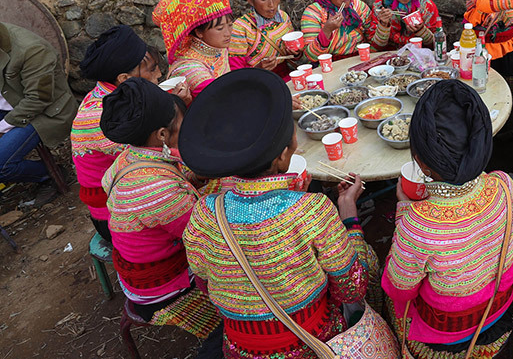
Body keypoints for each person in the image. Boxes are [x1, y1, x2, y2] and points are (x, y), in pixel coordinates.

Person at [181, 69, 373, 359]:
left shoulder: (204, 214)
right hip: (312, 344)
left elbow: (205, 284)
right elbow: (352, 289)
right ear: (284, 155)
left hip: (239, 349)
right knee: (369, 260)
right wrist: (350, 218)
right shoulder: (313, 210)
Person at [384, 79, 513, 359]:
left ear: (421, 164)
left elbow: (400, 288)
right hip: (500, 306)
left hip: (446, 331)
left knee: (385, 290)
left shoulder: (416, 224)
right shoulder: (504, 184)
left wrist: (404, 210)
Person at [100, 78, 222, 352]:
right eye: (182, 125)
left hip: (136, 272)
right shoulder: (158, 190)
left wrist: (199, 176)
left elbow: (178, 176)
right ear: (162, 135)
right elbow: (209, 237)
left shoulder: (127, 157)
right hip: (163, 287)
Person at [72, 26, 166, 242]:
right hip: (114, 217)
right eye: (152, 69)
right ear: (124, 78)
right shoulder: (99, 117)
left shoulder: (120, 96)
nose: (159, 75)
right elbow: (154, 154)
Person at [0, 22, 75, 187]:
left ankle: (49, 174)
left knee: (1, 165)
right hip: (8, 103)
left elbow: (38, 99)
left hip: (43, 113)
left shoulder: (31, 50)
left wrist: (2, 126)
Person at [153, 0, 233, 98]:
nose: (228, 33)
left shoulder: (219, 47)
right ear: (199, 32)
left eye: (230, 25)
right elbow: (220, 96)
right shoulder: (190, 69)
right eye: (220, 28)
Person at [229, 0, 295, 75]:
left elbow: (292, 54)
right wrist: (259, 69)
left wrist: (296, 54)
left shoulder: (283, 17)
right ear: (250, 0)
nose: (272, 5)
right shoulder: (240, 29)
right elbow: (236, 72)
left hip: (288, 76)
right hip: (259, 81)